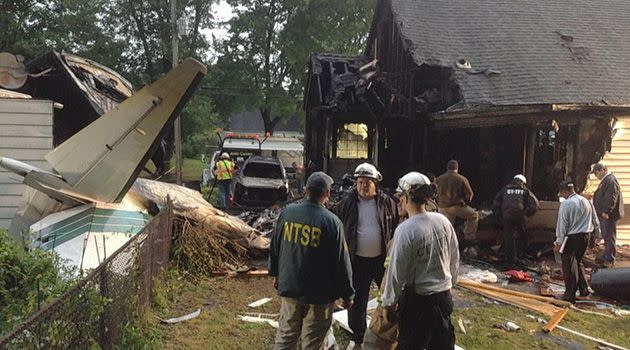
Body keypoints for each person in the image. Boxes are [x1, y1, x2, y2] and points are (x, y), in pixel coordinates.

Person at [269, 172, 355, 350]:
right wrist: (348, 294)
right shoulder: (332, 222)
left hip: (290, 288)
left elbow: (275, 246)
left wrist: (275, 273)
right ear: (328, 194)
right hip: (320, 295)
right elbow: (341, 263)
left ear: (306, 190)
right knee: (313, 342)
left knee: (286, 337)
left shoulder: (287, 213)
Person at [382, 171, 460, 350]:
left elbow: (396, 272)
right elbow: (454, 256)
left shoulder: (406, 230)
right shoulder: (443, 221)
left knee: (410, 344)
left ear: (407, 197)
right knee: (442, 344)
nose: (399, 201)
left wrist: (388, 302)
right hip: (443, 298)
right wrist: (451, 281)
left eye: (400, 196)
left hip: (418, 303)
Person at [333, 163, 398, 349]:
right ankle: (359, 337)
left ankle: (390, 333)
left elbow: (395, 225)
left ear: (375, 183)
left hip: (381, 260)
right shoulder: (348, 202)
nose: (363, 186)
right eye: (360, 182)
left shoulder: (386, 202)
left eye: (367, 182)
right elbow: (334, 220)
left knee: (389, 296)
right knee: (358, 301)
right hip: (357, 260)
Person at [555, 181, 600, 303]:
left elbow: (562, 225)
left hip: (572, 237)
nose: (562, 196)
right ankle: (584, 288)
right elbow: (595, 219)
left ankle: (570, 295)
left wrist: (558, 242)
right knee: (578, 262)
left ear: (565, 192)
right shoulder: (586, 201)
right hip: (586, 235)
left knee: (569, 265)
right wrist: (597, 235)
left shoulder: (566, 204)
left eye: (562, 193)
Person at [493, 174, 540, 264]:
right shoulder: (525, 191)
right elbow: (535, 204)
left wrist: (499, 217)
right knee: (523, 236)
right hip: (520, 217)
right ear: (522, 182)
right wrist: (526, 214)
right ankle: (522, 255)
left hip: (507, 217)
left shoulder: (505, 189)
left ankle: (510, 262)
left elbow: (496, 203)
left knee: (509, 240)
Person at [435, 160, 479, 240]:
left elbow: (433, 194)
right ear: (457, 168)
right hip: (456, 207)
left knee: (447, 228)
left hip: (441, 208)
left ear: (447, 168)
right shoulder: (462, 179)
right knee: (474, 215)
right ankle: (469, 237)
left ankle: (445, 242)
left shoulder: (438, 179)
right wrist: (466, 203)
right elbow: (470, 194)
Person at [592, 163, 624, 267]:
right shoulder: (606, 180)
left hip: (609, 215)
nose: (596, 176)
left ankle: (609, 258)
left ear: (602, 170)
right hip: (604, 214)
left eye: (596, 173)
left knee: (609, 235)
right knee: (606, 235)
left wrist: (606, 211)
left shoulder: (610, 181)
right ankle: (607, 254)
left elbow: (611, 197)